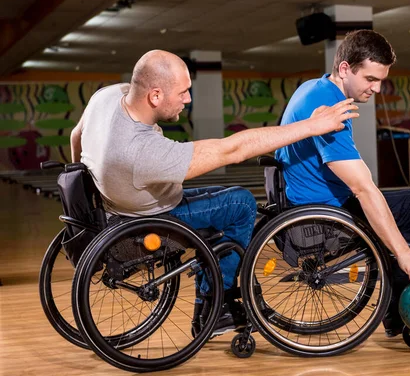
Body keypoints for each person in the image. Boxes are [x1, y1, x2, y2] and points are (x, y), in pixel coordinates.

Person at [70, 49, 359, 336]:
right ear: (155, 96)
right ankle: (216, 304)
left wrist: (96, 185)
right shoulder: (141, 151)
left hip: (120, 206)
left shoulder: (106, 98)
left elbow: (76, 136)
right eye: (182, 92)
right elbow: (233, 149)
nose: (188, 99)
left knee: (223, 197)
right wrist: (311, 126)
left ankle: (212, 274)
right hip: (155, 215)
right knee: (242, 203)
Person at [275, 30, 410, 338]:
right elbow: (362, 188)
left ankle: (397, 315)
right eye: (370, 79)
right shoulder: (328, 109)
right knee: (408, 247)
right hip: (319, 221)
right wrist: (405, 255)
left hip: (308, 206)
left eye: (380, 80)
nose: (377, 89)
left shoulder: (312, 88)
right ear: (344, 69)